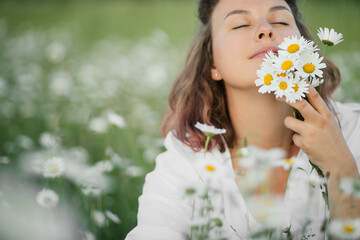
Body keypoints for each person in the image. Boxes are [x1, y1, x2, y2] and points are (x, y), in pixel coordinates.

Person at [126, 0, 360, 239]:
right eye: (239, 25)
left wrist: (343, 170)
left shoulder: (354, 133)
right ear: (212, 63)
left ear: (305, 47)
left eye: (280, 21)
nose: (266, 29)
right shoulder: (186, 161)